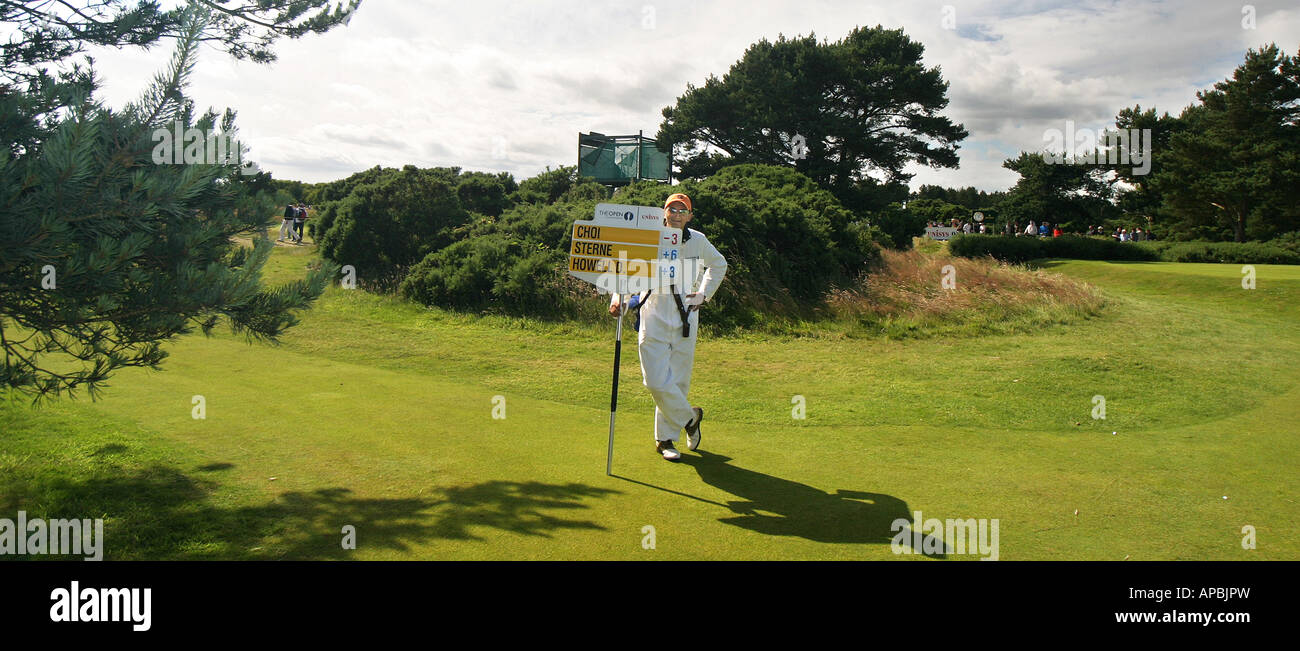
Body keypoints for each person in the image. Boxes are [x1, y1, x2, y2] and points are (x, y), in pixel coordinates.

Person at [609, 193, 727, 462]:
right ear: (663, 213)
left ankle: (665, 440)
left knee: (677, 381)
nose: (675, 214)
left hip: (686, 317)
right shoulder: (649, 237)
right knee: (654, 380)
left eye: (681, 210)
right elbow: (627, 271)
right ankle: (691, 417)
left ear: (690, 216)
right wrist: (619, 300)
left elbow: (718, 264)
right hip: (653, 313)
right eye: (671, 209)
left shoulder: (698, 240)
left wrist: (703, 295)